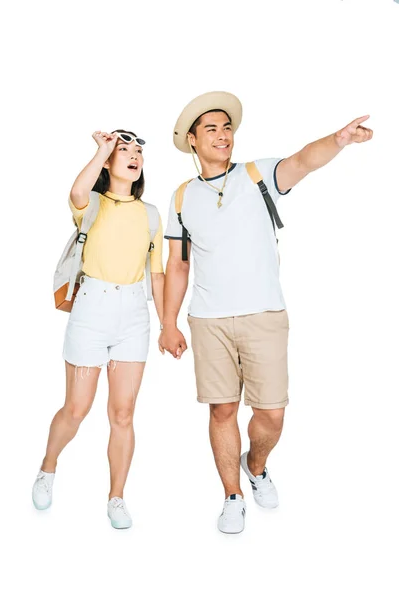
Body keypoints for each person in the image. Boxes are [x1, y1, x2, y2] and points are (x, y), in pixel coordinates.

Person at [159, 91, 373, 534]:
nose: (223, 135)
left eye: (226, 127)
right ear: (193, 142)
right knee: (221, 411)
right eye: (211, 129)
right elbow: (178, 264)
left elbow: (303, 160)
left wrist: (339, 139)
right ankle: (232, 495)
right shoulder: (181, 198)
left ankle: (256, 466)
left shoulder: (257, 175)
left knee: (271, 414)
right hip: (209, 322)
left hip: (264, 316)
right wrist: (168, 323)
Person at [32, 130, 164, 529]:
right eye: (125, 150)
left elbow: (156, 276)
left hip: (132, 315)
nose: (134, 156)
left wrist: (167, 325)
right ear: (108, 161)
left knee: (123, 414)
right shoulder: (91, 204)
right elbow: (76, 191)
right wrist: (102, 149)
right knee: (77, 408)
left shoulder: (152, 214)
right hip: (91, 310)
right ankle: (47, 468)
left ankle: (117, 497)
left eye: (138, 151)